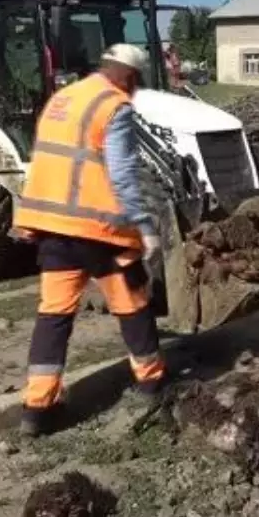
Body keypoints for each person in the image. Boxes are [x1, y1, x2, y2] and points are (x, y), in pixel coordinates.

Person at [11, 43, 166, 437]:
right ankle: (151, 385)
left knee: (54, 316)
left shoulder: (64, 98)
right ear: (129, 77)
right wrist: (145, 227)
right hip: (102, 231)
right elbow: (123, 174)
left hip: (52, 228)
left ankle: (36, 409)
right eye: (136, 83)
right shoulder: (114, 106)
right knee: (133, 303)